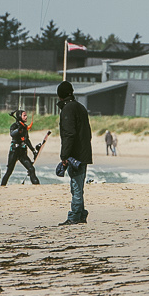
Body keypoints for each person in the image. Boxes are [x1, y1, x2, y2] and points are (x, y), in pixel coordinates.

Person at [57, 82, 93, 223]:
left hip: (75, 154)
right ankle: (81, 214)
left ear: (60, 95)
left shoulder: (68, 109)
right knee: (78, 185)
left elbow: (69, 134)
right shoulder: (80, 107)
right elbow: (88, 133)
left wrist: (64, 156)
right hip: (84, 152)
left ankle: (75, 216)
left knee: (76, 186)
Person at [2, 110, 42, 185]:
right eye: (24, 115)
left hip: (22, 152)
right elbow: (12, 134)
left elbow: (27, 140)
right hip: (14, 151)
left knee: (31, 169)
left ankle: (37, 186)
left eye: (26, 115)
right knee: (9, 171)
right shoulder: (14, 126)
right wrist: (18, 129)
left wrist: (33, 150)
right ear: (19, 116)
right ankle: (2, 186)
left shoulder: (25, 127)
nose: (26, 117)